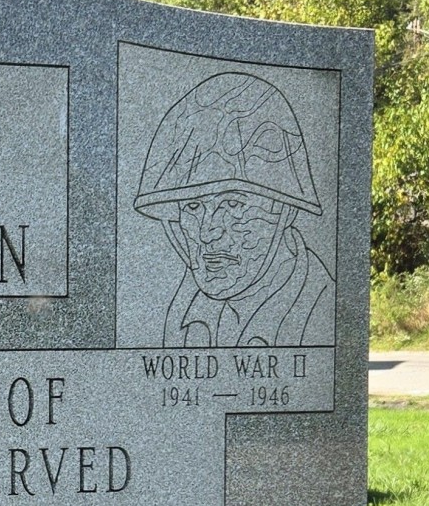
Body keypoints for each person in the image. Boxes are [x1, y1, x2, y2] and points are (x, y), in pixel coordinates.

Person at [134, 72, 333, 347]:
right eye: (193, 206)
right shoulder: (183, 312)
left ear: (285, 209)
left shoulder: (322, 308)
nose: (207, 233)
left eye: (233, 204)